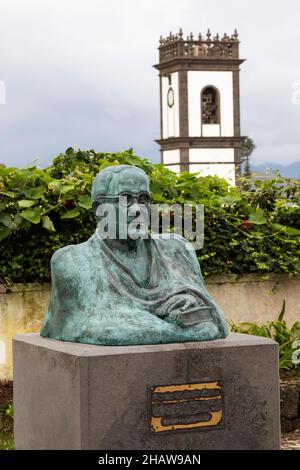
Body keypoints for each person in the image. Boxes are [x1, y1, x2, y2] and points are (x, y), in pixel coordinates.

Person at [41, 165, 228, 345]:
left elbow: (216, 322)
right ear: (99, 209)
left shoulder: (177, 249)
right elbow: (88, 328)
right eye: (126, 200)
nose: (137, 209)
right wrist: (182, 331)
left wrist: (186, 306)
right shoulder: (72, 260)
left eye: (143, 199)